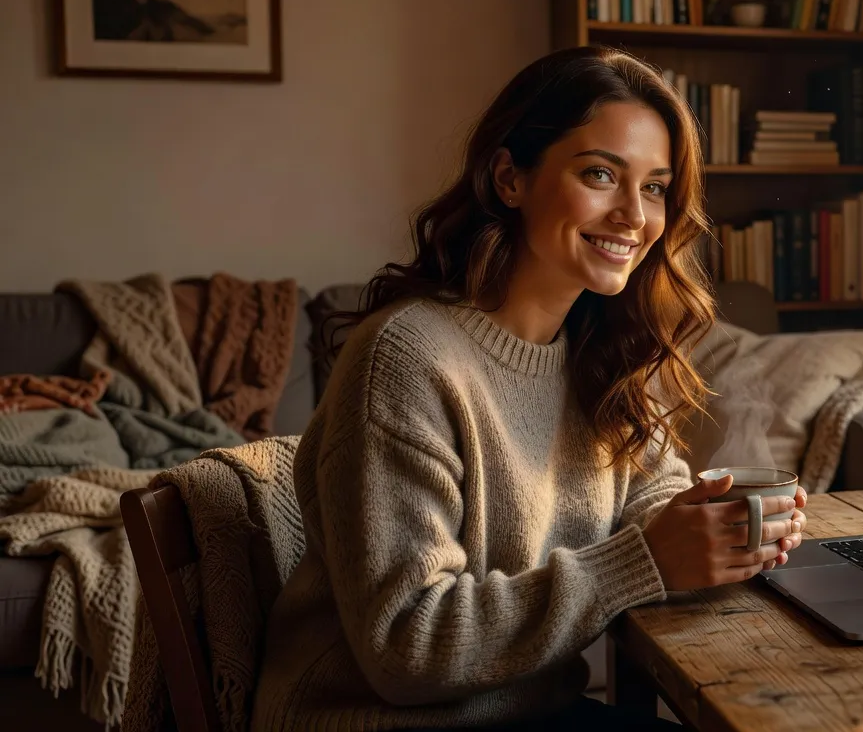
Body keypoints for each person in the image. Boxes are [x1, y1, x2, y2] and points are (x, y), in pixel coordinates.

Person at [251, 46, 808, 731]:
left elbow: (647, 496)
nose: (635, 216)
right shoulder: (407, 358)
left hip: (531, 711)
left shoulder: (602, 347)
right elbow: (406, 644)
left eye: (656, 187)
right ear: (510, 178)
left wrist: (711, 523)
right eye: (601, 174)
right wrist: (645, 560)